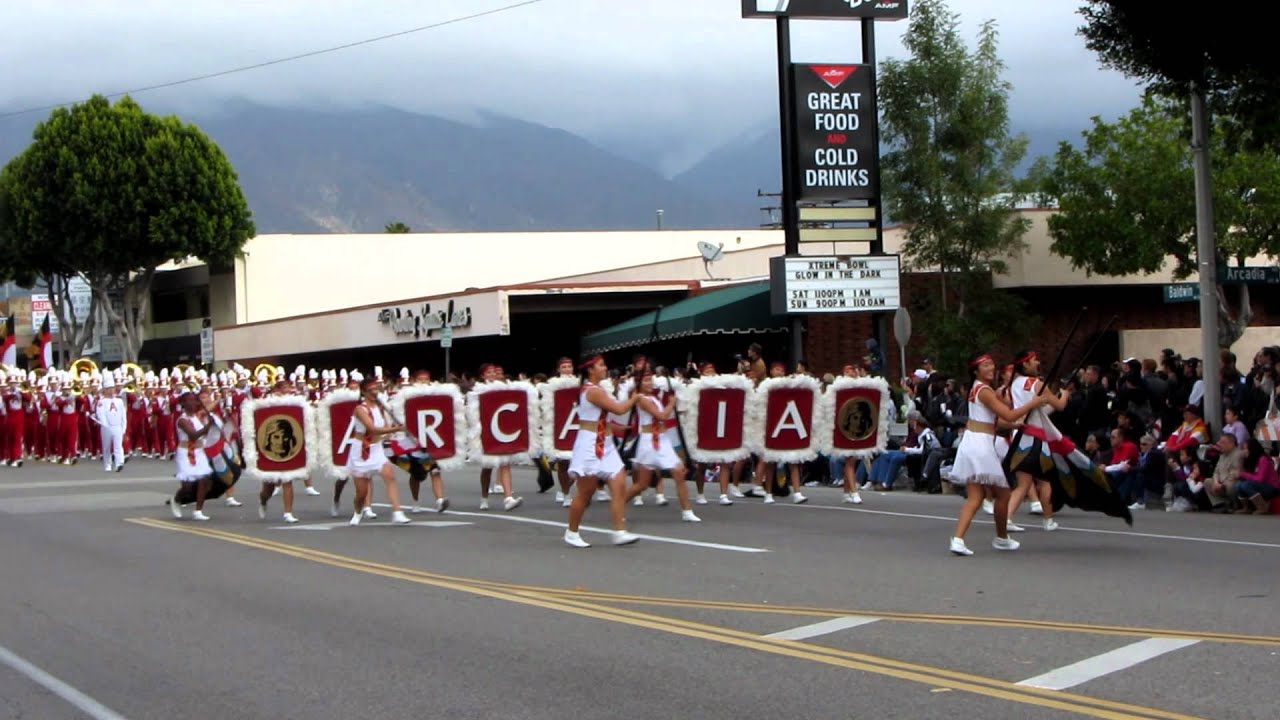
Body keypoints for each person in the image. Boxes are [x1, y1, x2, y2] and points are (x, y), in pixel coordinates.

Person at [949, 353, 1046, 556]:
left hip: (972, 442)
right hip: (980, 446)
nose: (991, 368)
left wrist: (1016, 425)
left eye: (992, 364)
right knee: (1003, 494)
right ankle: (1001, 538)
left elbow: (994, 421)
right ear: (976, 371)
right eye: (985, 365)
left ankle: (959, 539)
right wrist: (1033, 403)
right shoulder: (985, 391)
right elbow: (1008, 414)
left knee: (976, 497)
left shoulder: (978, 388)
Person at [564, 355, 642, 548]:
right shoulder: (592, 391)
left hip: (606, 444)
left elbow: (602, 419)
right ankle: (572, 532)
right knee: (586, 493)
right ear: (590, 370)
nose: (605, 368)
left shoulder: (598, 390)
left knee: (619, 484)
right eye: (601, 365)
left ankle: (620, 531)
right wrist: (635, 398)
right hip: (589, 445)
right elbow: (619, 409)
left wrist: (619, 428)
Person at [626, 370, 700, 522]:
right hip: (649, 442)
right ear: (639, 383)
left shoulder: (654, 397)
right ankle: (618, 503)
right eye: (645, 380)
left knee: (679, 473)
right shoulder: (641, 399)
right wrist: (672, 403)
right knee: (642, 484)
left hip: (662, 441)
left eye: (650, 380)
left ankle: (687, 511)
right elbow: (662, 416)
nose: (649, 383)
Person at [345, 377, 411, 526]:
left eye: (376, 389)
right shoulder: (360, 409)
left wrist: (393, 431)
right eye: (371, 390)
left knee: (390, 476)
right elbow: (372, 429)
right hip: (362, 450)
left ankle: (397, 512)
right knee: (361, 493)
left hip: (376, 449)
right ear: (363, 392)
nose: (374, 392)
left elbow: (384, 427)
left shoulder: (380, 407)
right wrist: (397, 428)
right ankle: (358, 511)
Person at [171, 393, 214, 521]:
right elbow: (193, 435)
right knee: (187, 487)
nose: (192, 403)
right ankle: (176, 499)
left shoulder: (197, 417)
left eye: (194, 400)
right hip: (185, 452)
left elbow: (204, 435)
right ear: (183, 404)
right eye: (189, 400)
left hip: (199, 452)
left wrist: (210, 426)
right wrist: (208, 426)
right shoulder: (182, 420)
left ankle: (198, 510)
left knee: (203, 480)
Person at [94, 373, 127, 472]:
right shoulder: (101, 402)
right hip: (106, 427)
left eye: (113, 388)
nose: (112, 390)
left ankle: (119, 463)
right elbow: (101, 414)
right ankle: (107, 464)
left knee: (118, 446)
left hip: (117, 426)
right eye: (109, 388)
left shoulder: (119, 401)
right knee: (107, 447)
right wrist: (105, 425)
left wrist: (123, 427)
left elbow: (123, 415)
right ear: (105, 390)